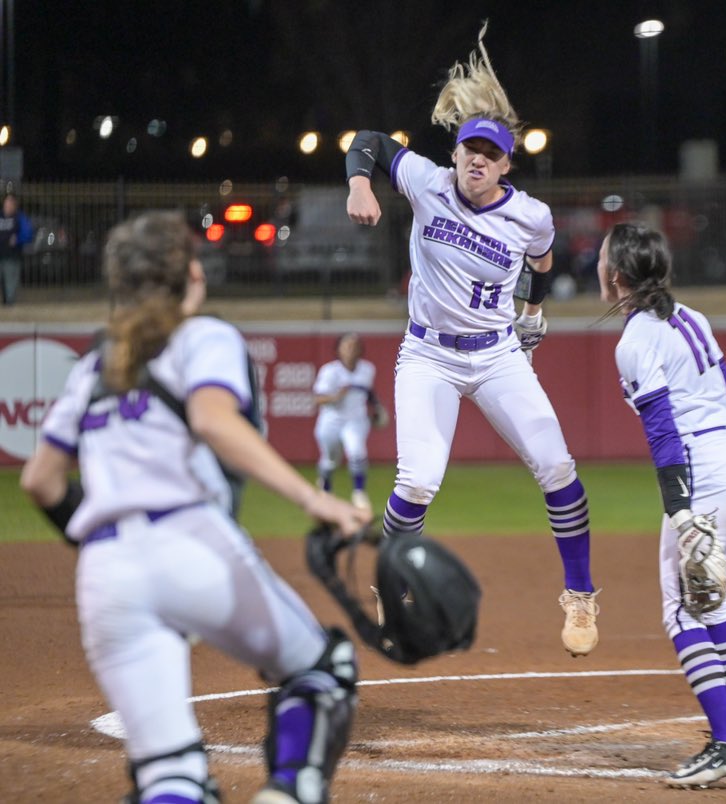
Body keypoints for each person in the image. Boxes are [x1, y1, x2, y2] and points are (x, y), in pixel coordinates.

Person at [19, 211, 373, 804]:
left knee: (170, 775)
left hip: (106, 576)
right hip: (192, 543)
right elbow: (213, 420)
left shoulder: (95, 365)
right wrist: (314, 498)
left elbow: (41, 481)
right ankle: (288, 792)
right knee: (322, 672)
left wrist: (112, 544)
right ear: (192, 273)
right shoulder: (203, 336)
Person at [344, 22, 600, 657]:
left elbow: (543, 260)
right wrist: (359, 182)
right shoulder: (427, 182)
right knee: (417, 481)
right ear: (455, 154)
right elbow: (369, 142)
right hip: (428, 353)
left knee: (557, 466)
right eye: (469, 150)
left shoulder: (530, 215)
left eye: (490, 153)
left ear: (507, 164)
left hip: (496, 354)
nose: (477, 160)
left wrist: (533, 310)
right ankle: (391, 584)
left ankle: (580, 595)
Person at [596, 222, 726, 787]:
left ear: (616, 276)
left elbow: (661, 429)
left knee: (683, 609)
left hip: (703, 470)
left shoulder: (636, 341)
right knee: (713, 599)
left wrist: (679, 510)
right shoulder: (690, 317)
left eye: (604, 259)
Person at [313, 332, 384, 511]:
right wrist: (337, 396)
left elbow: (369, 392)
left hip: (356, 420)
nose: (351, 349)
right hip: (331, 421)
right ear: (338, 349)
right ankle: (326, 488)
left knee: (357, 453)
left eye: (354, 346)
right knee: (330, 460)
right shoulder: (330, 371)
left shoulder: (367, 369)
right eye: (347, 345)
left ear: (360, 350)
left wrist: (377, 408)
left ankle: (359, 492)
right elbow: (318, 399)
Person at [0, 192, 34, 305]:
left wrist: (18, 239)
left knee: (11, 281)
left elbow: (28, 233)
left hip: (12, 256)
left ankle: (9, 304)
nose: (9, 205)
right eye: (7, 202)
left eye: (11, 202)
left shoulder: (19, 217)